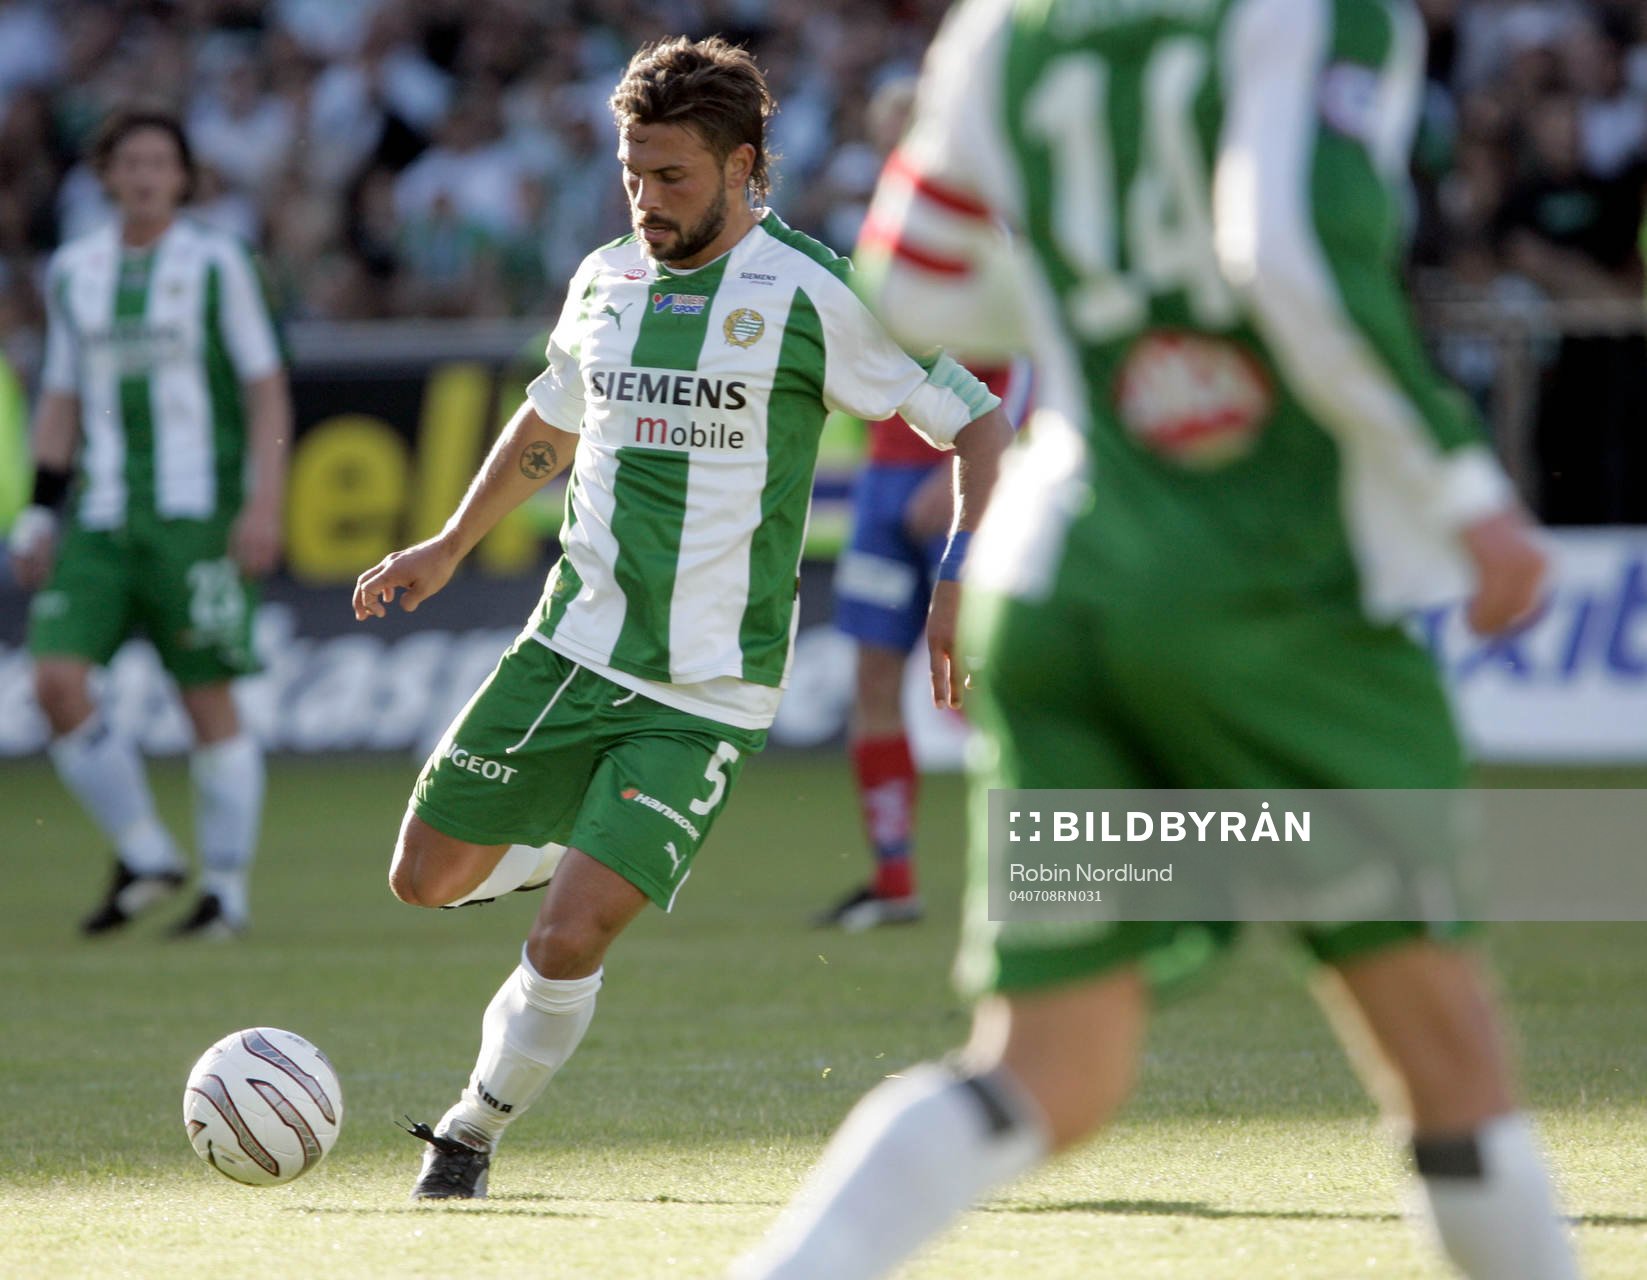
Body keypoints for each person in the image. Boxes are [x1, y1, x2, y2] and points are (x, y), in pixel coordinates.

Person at [733, 1, 1577, 1278]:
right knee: (1451, 1058)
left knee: (1047, 1067)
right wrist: (1470, 496)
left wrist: (1101, 314)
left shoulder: (1004, 32)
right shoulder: (1321, 13)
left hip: (1059, 586)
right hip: (1271, 597)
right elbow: (1290, 250)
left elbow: (910, 275)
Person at [351, 35, 1012, 1201]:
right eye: (632, 175)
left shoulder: (815, 290)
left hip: (708, 687)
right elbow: (550, 424)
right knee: (421, 878)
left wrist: (957, 575)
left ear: (744, 165)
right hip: (567, 647)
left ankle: (468, 1133)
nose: (647, 202)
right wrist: (450, 544)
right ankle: (593, 846)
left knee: (565, 940)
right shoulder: (605, 279)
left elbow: (977, 422)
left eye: (673, 178)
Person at [8, 107, 290, 940]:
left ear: (182, 176)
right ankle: (145, 851)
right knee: (55, 682)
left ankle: (226, 894)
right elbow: (60, 397)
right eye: (128, 162)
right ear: (105, 175)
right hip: (99, 515)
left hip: (195, 514)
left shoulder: (217, 262)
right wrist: (35, 513)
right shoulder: (74, 269)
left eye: (159, 162)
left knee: (205, 695)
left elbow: (265, 386)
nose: (142, 176)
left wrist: (263, 500)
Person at [818, 356, 1029, 931]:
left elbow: (1033, 357)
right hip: (882, 484)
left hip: (973, 477)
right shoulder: (858, 263)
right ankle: (893, 884)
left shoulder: (1000, 262)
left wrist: (962, 466)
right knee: (873, 678)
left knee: (1000, 682)